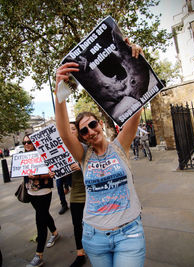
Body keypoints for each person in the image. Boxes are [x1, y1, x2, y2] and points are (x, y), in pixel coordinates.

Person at [55, 41, 146, 267]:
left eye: (92, 124)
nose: (89, 131)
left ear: (100, 124)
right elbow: (65, 133)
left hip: (129, 235)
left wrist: (137, 60)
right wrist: (60, 88)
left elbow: (137, 108)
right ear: (82, 137)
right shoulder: (84, 156)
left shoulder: (120, 146)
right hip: (94, 238)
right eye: (84, 130)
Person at [22, 134, 60, 267]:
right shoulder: (23, 156)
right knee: (44, 214)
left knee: (40, 221)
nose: (26, 144)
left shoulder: (44, 154)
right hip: (31, 192)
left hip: (44, 192)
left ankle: (39, 255)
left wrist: (37, 175)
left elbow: (52, 173)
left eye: (29, 142)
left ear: (35, 142)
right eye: (24, 142)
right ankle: (55, 233)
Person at [69, 122, 86, 267]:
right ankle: (80, 253)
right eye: (67, 130)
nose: (70, 132)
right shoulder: (63, 151)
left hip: (91, 192)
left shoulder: (86, 147)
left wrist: (81, 166)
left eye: (73, 129)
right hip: (75, 192)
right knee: (76, 224)